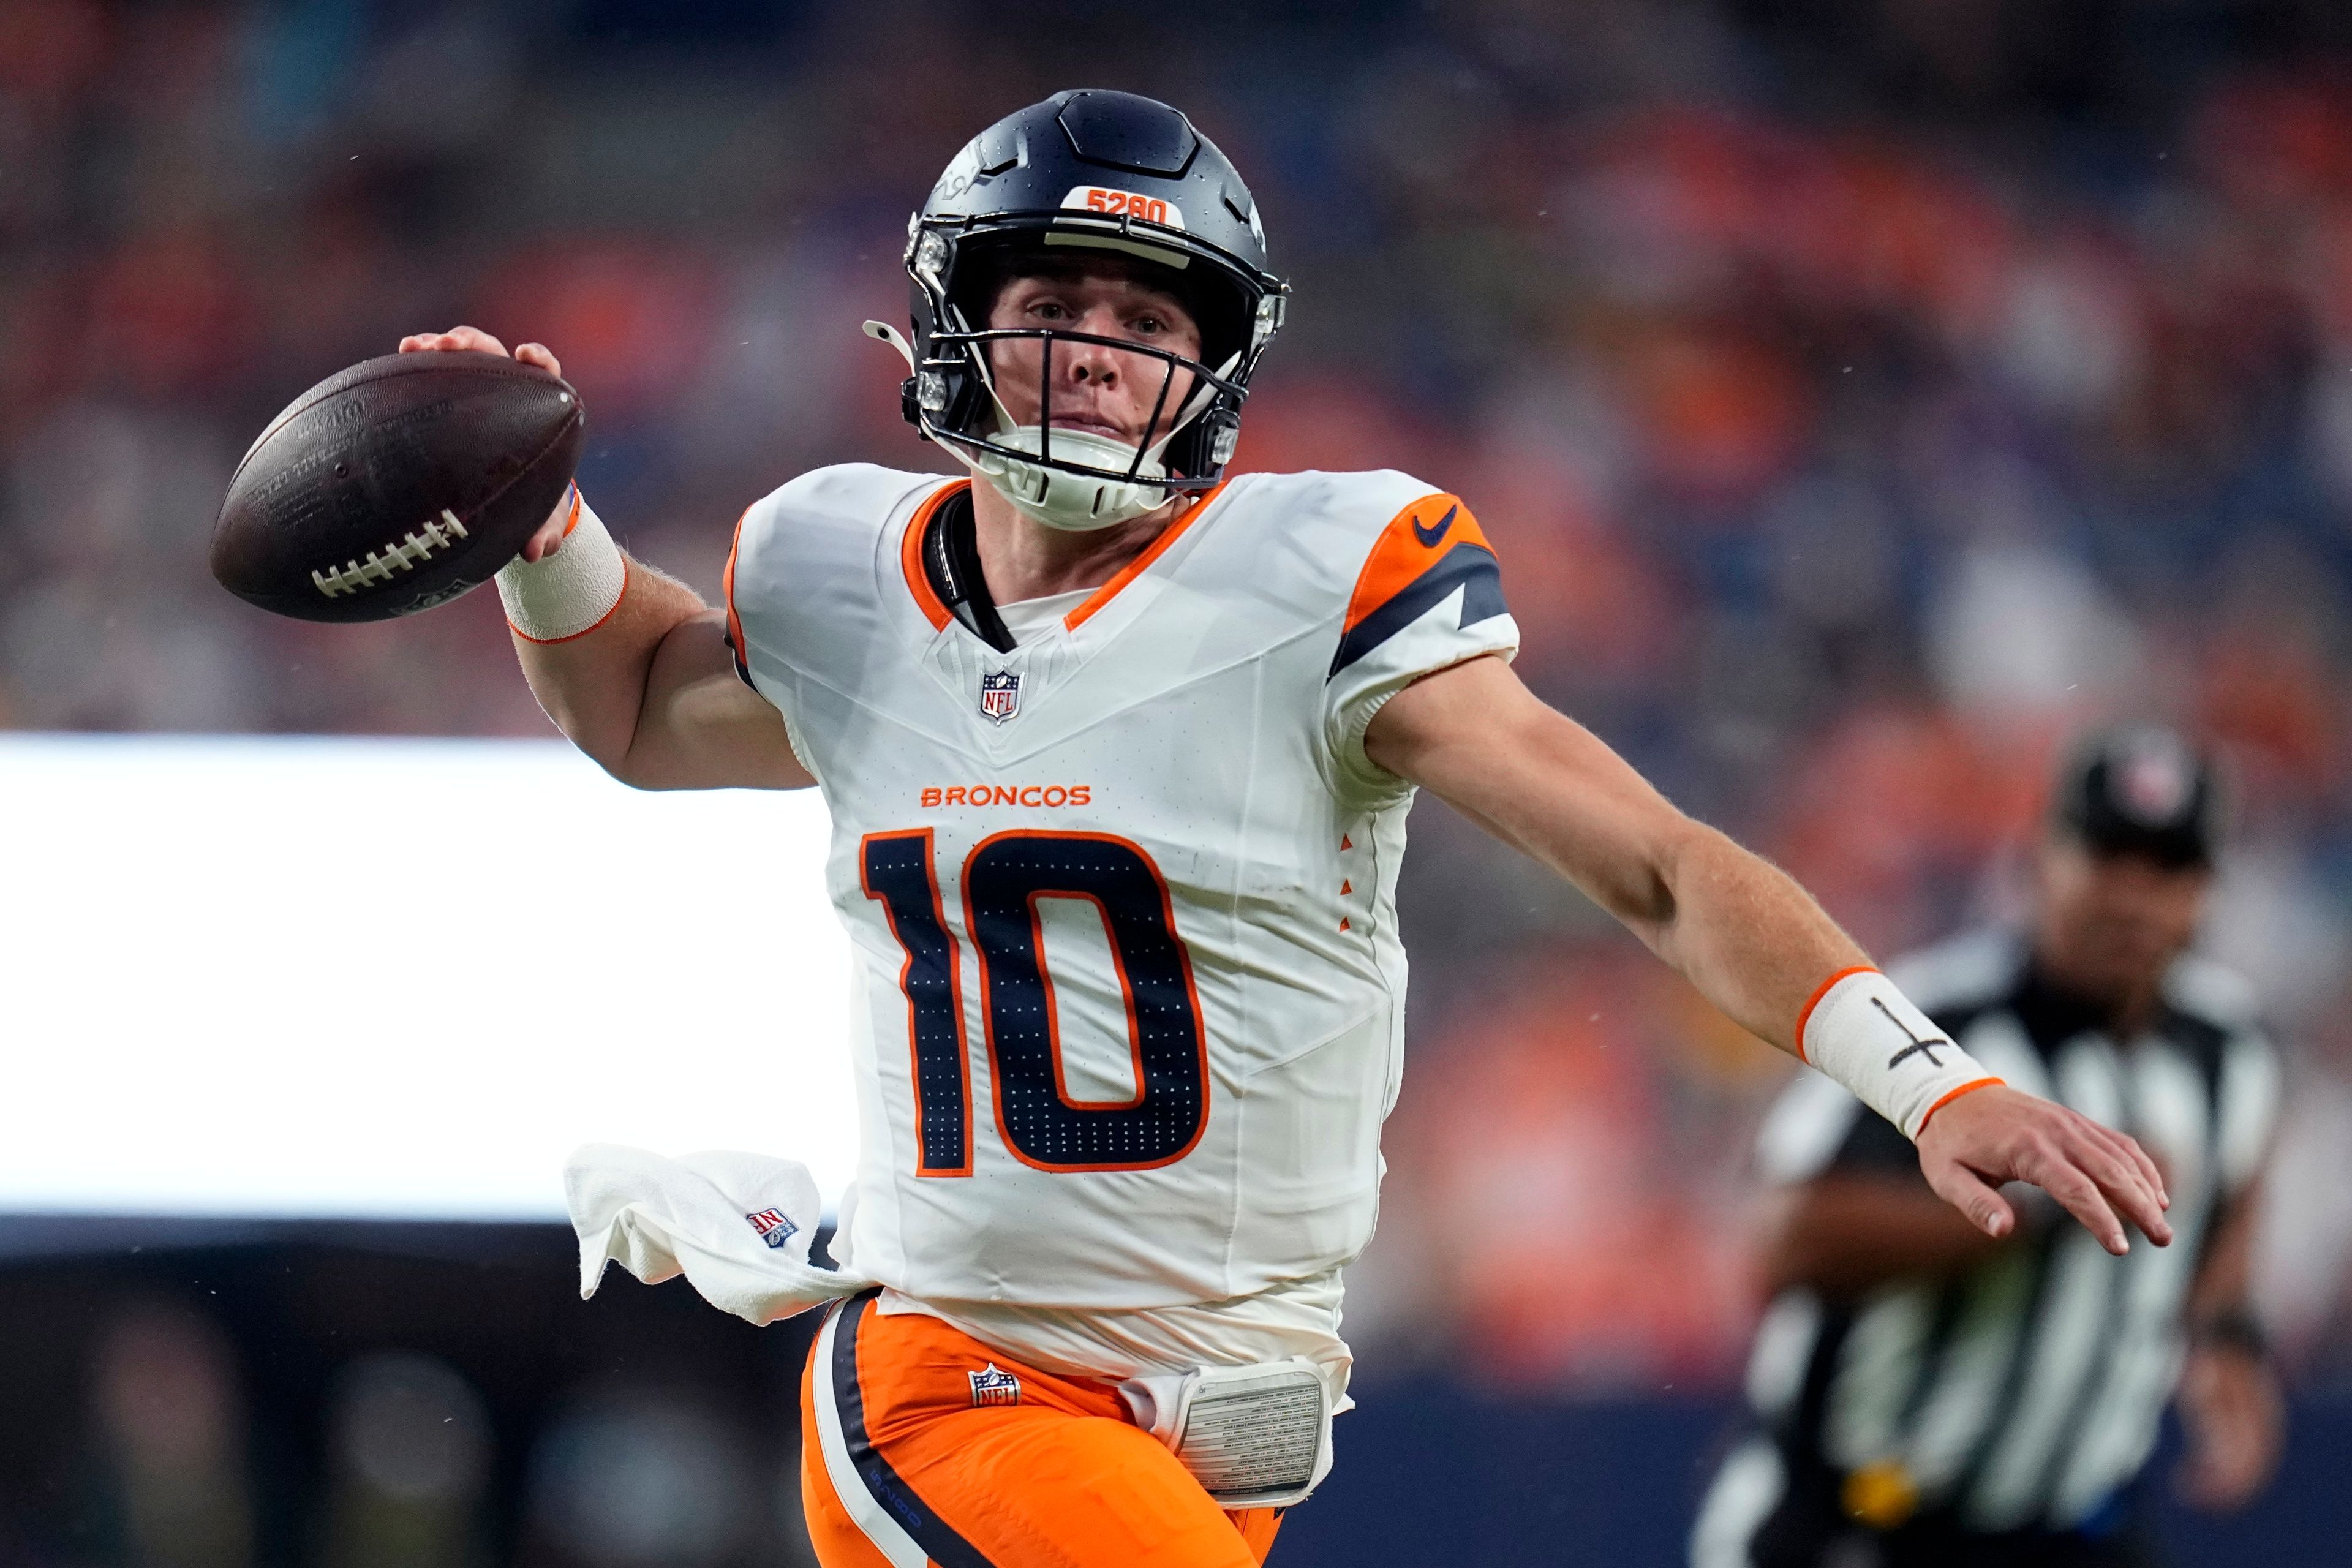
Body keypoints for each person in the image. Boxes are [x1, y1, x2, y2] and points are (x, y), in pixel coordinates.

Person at [399, 91, 2170, 1568]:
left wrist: (1937, 1081)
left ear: (1222, 364)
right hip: (953, 1382)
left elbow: (1653, 861)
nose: (1099, 355)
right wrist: (541, 527)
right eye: (1059, 301)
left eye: (1151, 322)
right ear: (955, 312)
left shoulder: (1314, 587)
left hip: (1217, 1429)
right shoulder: (840, 574)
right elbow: (638, 710)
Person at [1691, 726, 2284, 1568]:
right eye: (2111, 858)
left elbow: (2232, 1190)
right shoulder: (1930, 1021)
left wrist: (2227, 1337)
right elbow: (1779, 1239)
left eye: (2169, 870)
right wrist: (2035, 1209)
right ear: (2044, 856)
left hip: (2076, 1527)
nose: (2135, 899)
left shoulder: (2229, 1048)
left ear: (2209, 889)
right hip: (1863, 1520)